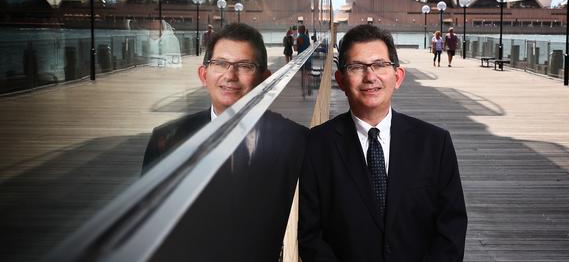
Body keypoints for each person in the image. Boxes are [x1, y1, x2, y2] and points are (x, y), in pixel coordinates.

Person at [299, 24, 467, 262]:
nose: (370, 77)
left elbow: (451, 228)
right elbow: (310, 236)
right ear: (341, 80)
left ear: (398, 77)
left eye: (380, 65)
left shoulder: (435, 144)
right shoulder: (316, 146)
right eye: (357, 67)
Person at [142, 23, 306, 261]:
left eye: (245, 66)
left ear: (266, 80)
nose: (230, 76)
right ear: (203, 75)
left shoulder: (297, 141)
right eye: (220, 64)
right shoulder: (166, 140)